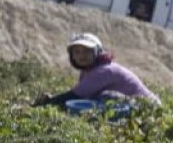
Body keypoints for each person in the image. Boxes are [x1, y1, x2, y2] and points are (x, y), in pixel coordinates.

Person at [32, 33, 160, 109]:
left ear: (97, 52)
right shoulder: (89, 71)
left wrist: (49, 102)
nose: (81, 56)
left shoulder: (103, 71)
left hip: (148, 108)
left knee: (105, 98)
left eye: (87, 51)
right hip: (136, 105)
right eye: (77, 52)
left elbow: (74, 96)